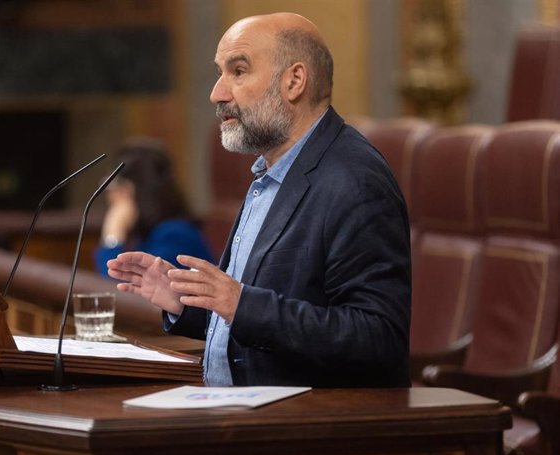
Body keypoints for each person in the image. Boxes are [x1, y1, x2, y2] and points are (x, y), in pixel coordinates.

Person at [107, 12, 411, 388]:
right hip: (235, 415)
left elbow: (377, 338)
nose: (217, 93)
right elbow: (258, 321)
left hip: (307, 430)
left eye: (238, 71)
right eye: (220, 72)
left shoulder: (354, 180)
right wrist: (187, 303)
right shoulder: (270, 175)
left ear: (294, 81)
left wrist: (239, 303)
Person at [93, 138, 214, 277]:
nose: (109, 196)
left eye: (112, 186)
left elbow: (125, 292)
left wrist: (113, 236)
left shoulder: (175, 235)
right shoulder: (146, 233)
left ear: (127, 191)